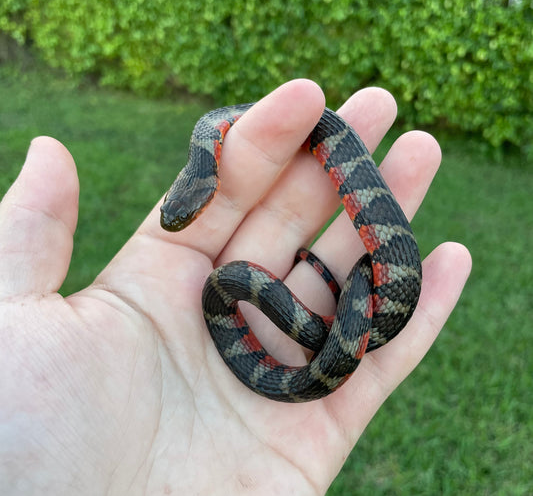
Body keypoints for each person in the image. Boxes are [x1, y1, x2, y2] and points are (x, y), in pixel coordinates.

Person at [0, 79, 471, 495]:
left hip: (365, 305)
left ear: (203, 191)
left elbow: (361, 283)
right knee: (313, 299)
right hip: (332, 332)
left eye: (183, 215)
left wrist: (356, 288)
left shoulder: (213, 130)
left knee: (349, 282)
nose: (177, 222)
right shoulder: (207, 136)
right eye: (179, 214)